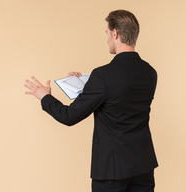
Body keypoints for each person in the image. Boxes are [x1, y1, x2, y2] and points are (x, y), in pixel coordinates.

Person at [24, 10, 158, 192]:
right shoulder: (150, 73)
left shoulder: (102, 76)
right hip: (143, 166)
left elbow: (69, 116)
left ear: (115, 33)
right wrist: (88, 85)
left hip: (112, 171)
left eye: (107, 33)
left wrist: (45, 96)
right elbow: (121, 98)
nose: (107, 39)